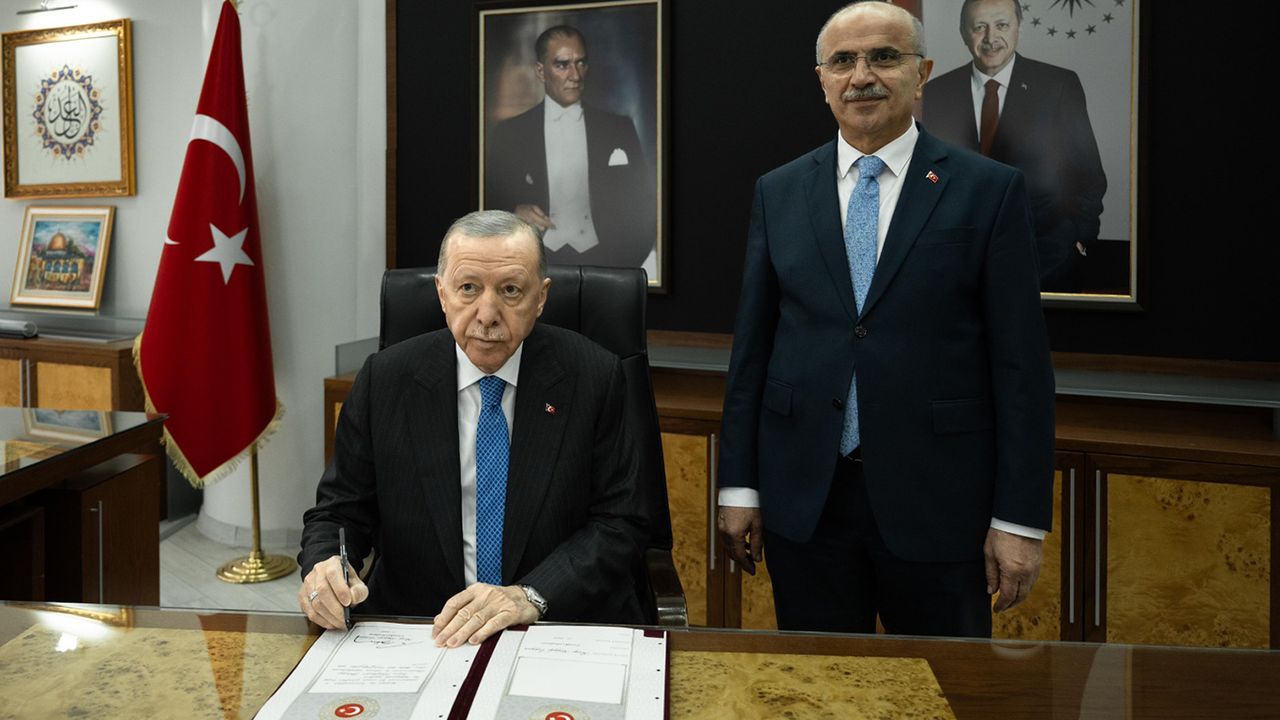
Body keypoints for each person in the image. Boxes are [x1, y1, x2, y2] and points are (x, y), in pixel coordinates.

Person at [716, 0, 1055, 639]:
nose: (862, 76)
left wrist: (1018, 520)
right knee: (815, 684)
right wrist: (739, 488)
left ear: (921, 73)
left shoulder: (988, 191)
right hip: (806, 501)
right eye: (843, 61)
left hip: (941, 506)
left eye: (884, 57)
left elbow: (1022, 369)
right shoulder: (779, 191)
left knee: (945, 686)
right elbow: (752, 351)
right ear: (822, 80)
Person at [298, 210, 647, 647]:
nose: (487, 314)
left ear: (541, 297)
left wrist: (531, 595)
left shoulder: (594, 377)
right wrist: (326, 565)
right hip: (421, 631)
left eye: (510, 290)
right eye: (468, 288)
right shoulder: (385, 380)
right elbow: (339, 512)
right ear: (441, 293)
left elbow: (621, 523)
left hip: (551, 625)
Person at [922, 0, 1107, 293]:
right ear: (963, 33)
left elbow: (1089, 176)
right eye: (979, 27)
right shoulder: (935, 92)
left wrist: (1079, 240)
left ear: (1019, 28)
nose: (990, 38)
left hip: (1045, 263)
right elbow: (928, 175)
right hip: (958, 269)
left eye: (1002, 25)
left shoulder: (1059, 85)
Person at [485, 25, 656, 272]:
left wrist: (621, 269)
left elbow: (644, 206)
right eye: (562, 64)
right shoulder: (509, 133)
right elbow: (486, 204)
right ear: (541, 71)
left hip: (607, 265)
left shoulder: (619, 128)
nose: (575, 75)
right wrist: (513, 212)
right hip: (534, 266)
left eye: (581, 63)